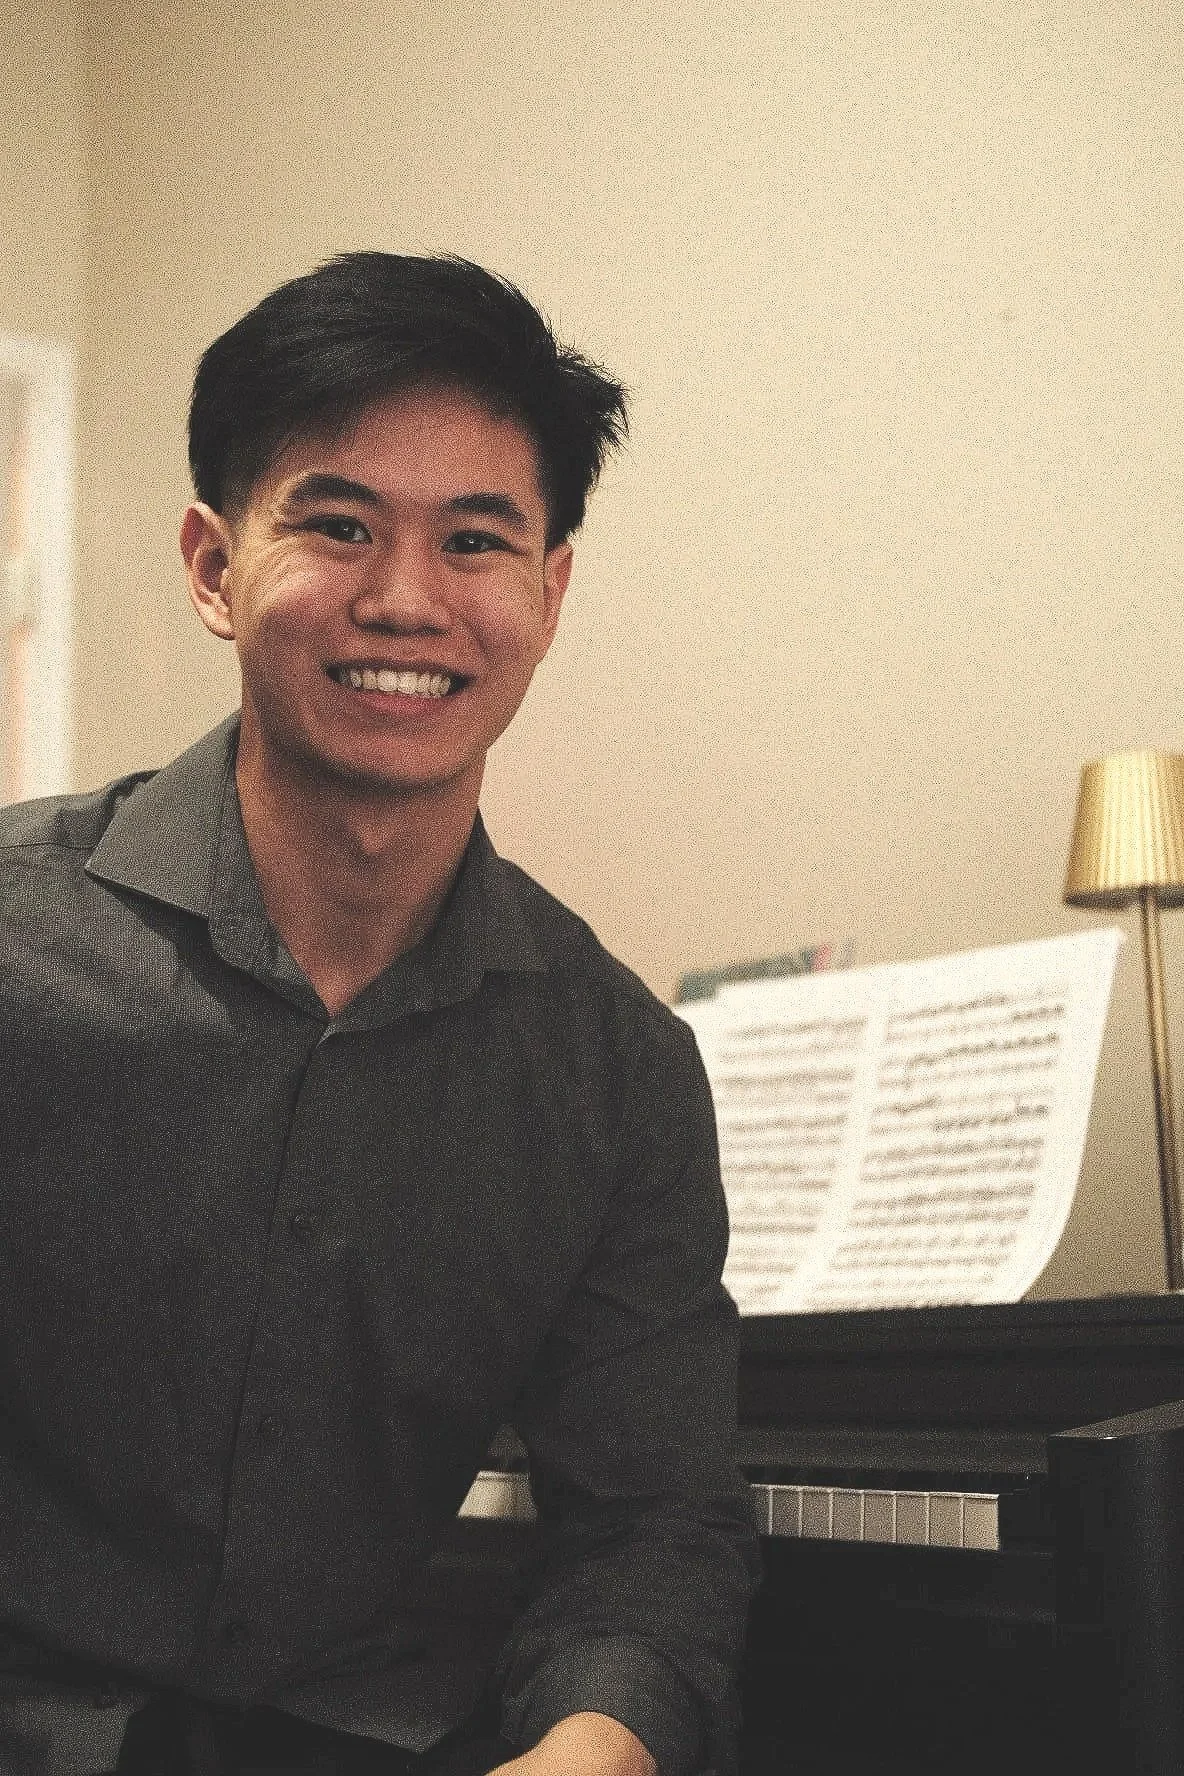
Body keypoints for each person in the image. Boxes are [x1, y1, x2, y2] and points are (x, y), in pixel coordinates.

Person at [0, 254, 758, 1776]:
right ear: (214, 567)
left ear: (547, 593)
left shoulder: (616, 1068)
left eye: (477, 540)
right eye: (336, 525)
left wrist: (592, 1749)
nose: (406, 600)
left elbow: (652, 1524)